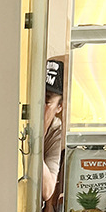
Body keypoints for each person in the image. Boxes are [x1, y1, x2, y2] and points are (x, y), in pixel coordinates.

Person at [43, 59, 64, 204]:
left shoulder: (56, 131)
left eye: (46, 101)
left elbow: (47, 190)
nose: (38, 105)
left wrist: (35, 141)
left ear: (59, 107)